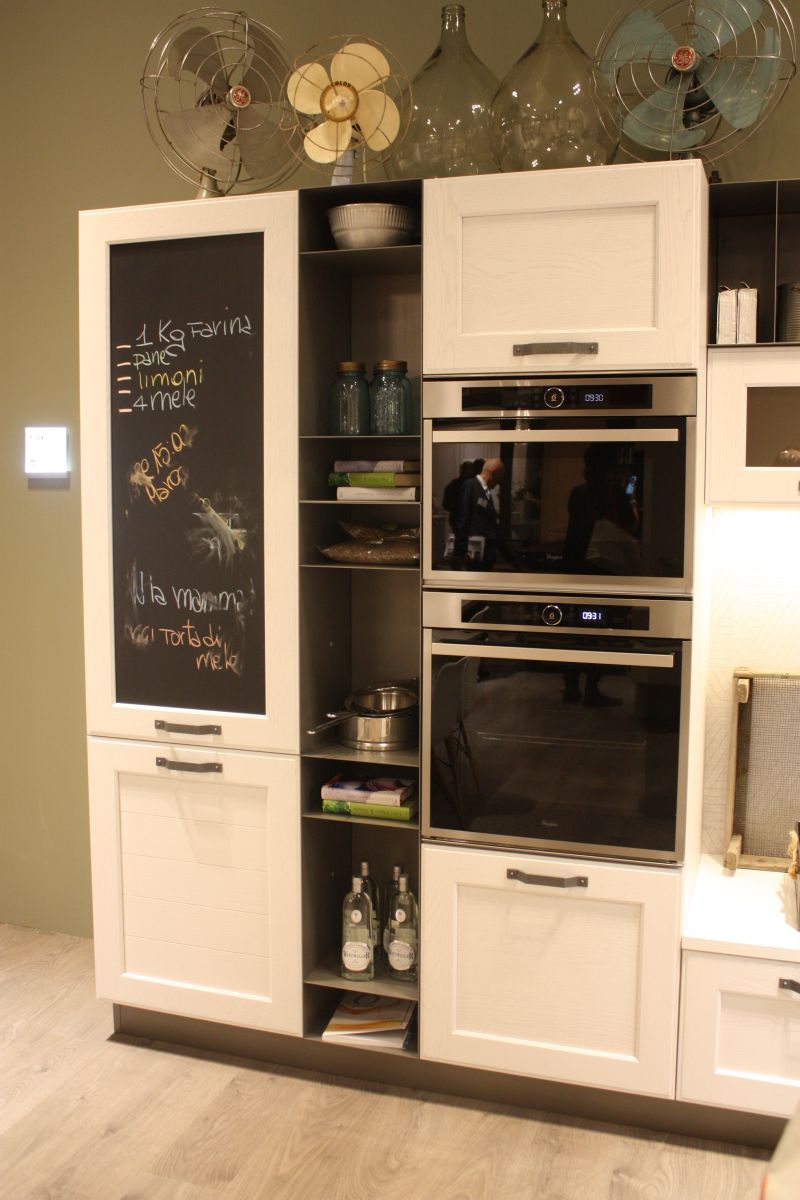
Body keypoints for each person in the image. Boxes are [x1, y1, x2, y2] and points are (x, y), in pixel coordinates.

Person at [451, 458, 516, 571]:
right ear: (494, 474)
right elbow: (463, 518)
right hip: (474, 553)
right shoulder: (470, 485)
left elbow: (490, 524)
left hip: (485, 553)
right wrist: (462, 550)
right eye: (500, 477)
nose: (500, 481)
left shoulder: (485, 491)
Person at [441, 460, 476, 533]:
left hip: (457, 519)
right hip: (471, 520)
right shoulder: (474, 485)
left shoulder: (453, 484)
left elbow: (445, 505)